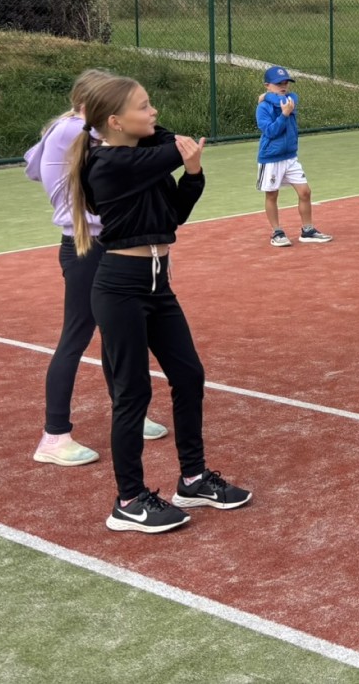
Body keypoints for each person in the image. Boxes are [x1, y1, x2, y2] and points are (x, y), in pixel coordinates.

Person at [66, 75, 251, 533]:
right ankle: (128, 501)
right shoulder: (109, 163)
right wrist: (179, 151)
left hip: (157, 285)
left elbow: (174, 215)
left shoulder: (140, 161)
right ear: (115, 121)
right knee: (132, 393)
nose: (154, 113)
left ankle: (192, 480)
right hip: (120, 287)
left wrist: (193, 174)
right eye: (144, 106)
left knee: (188, 376)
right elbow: (174, 145)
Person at [26, 70, 166, 466]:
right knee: (76, 335)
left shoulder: (70, 129)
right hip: (86, 245)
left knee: (115, 332)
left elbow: (34, 167)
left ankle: (128, 412)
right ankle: (54, 436)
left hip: (106, 242)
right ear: (91, 107)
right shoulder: (74, 130)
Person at [255, 64, 334, 248]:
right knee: (272, 195)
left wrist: (268, 96)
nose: (283, 87)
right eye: (278, 84)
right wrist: (283, 115)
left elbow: (293, 97)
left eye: (285, 83)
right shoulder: (263, 108)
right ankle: (277, 232)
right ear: (267, 85)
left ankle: (308, 230)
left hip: (290, 157)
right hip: (271, 158)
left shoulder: (290, 100)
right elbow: (270, 131)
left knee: (305, 192)